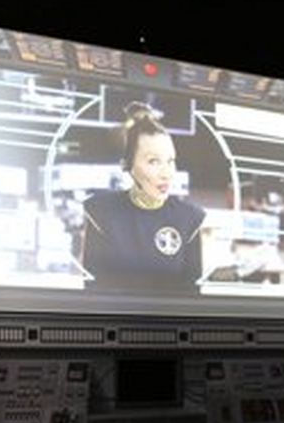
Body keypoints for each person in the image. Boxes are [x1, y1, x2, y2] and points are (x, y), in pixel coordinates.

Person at [81, 102, 205, 292]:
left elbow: (192, 293)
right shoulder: (101, 213)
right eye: (153, 161)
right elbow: (91, 287)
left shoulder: (190, 219)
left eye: (171, 161)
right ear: (127, 165)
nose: (166, 173)